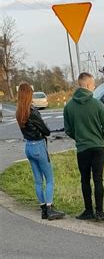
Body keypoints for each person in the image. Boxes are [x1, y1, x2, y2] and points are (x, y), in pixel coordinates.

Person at [63, 72, 104, 221]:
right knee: (98, 180)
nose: (94, 86)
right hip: (98, 148)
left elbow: (68, 130)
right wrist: (101, 138)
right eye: (94, 84)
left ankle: (88, 210)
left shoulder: (69, 107)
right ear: (88, 85)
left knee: (85, 180)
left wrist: (79, 138)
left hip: (82, 149)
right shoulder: (97, 104)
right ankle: (100, 212)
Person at [16, 82, 65, 220]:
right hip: (38, 146)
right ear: (29, 95)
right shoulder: (33, 112)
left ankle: (43, 209)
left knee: (38, 180)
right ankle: (50, 209)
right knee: (49, 179)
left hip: (28, 147)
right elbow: (46, 131)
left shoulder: (19, 112)